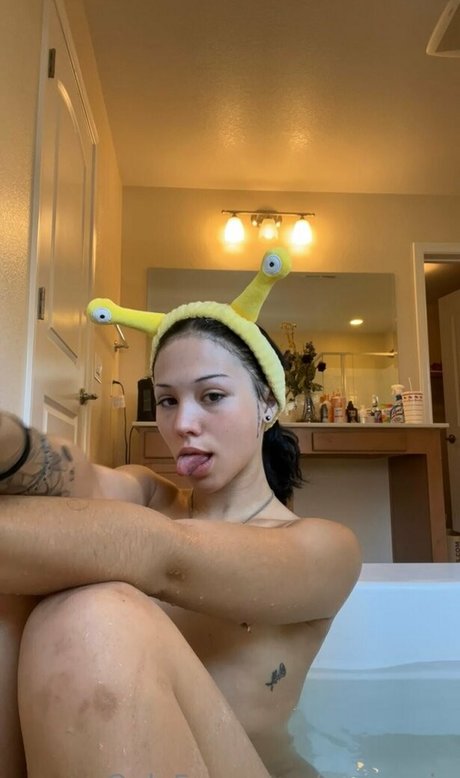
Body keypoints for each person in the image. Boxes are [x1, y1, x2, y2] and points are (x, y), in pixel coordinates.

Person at [0, 248, 361, 778]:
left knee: (95, 614)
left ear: (267, 404)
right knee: (15, 599)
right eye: (167, 401)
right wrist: (10, 443)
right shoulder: (150, 493)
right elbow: (77, 481)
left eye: (211, 396)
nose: (182, 423)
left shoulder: (324, 547)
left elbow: (164, 555)